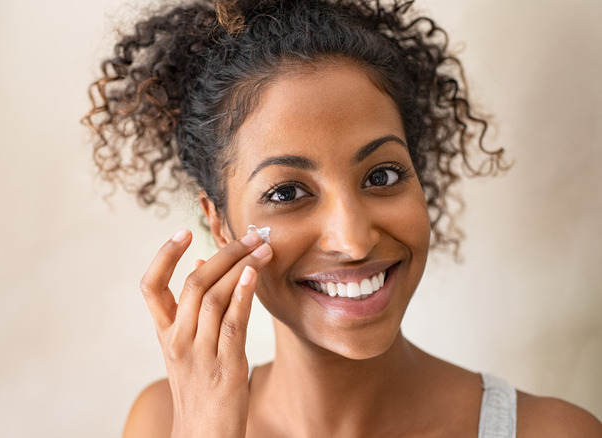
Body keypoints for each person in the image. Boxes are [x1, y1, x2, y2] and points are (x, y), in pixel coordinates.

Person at [84, 0, 602, 436]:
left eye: (381, 176)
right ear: (220, 224)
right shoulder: (163, 422)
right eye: (287, 191)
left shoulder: (551, 432)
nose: (353, 240)